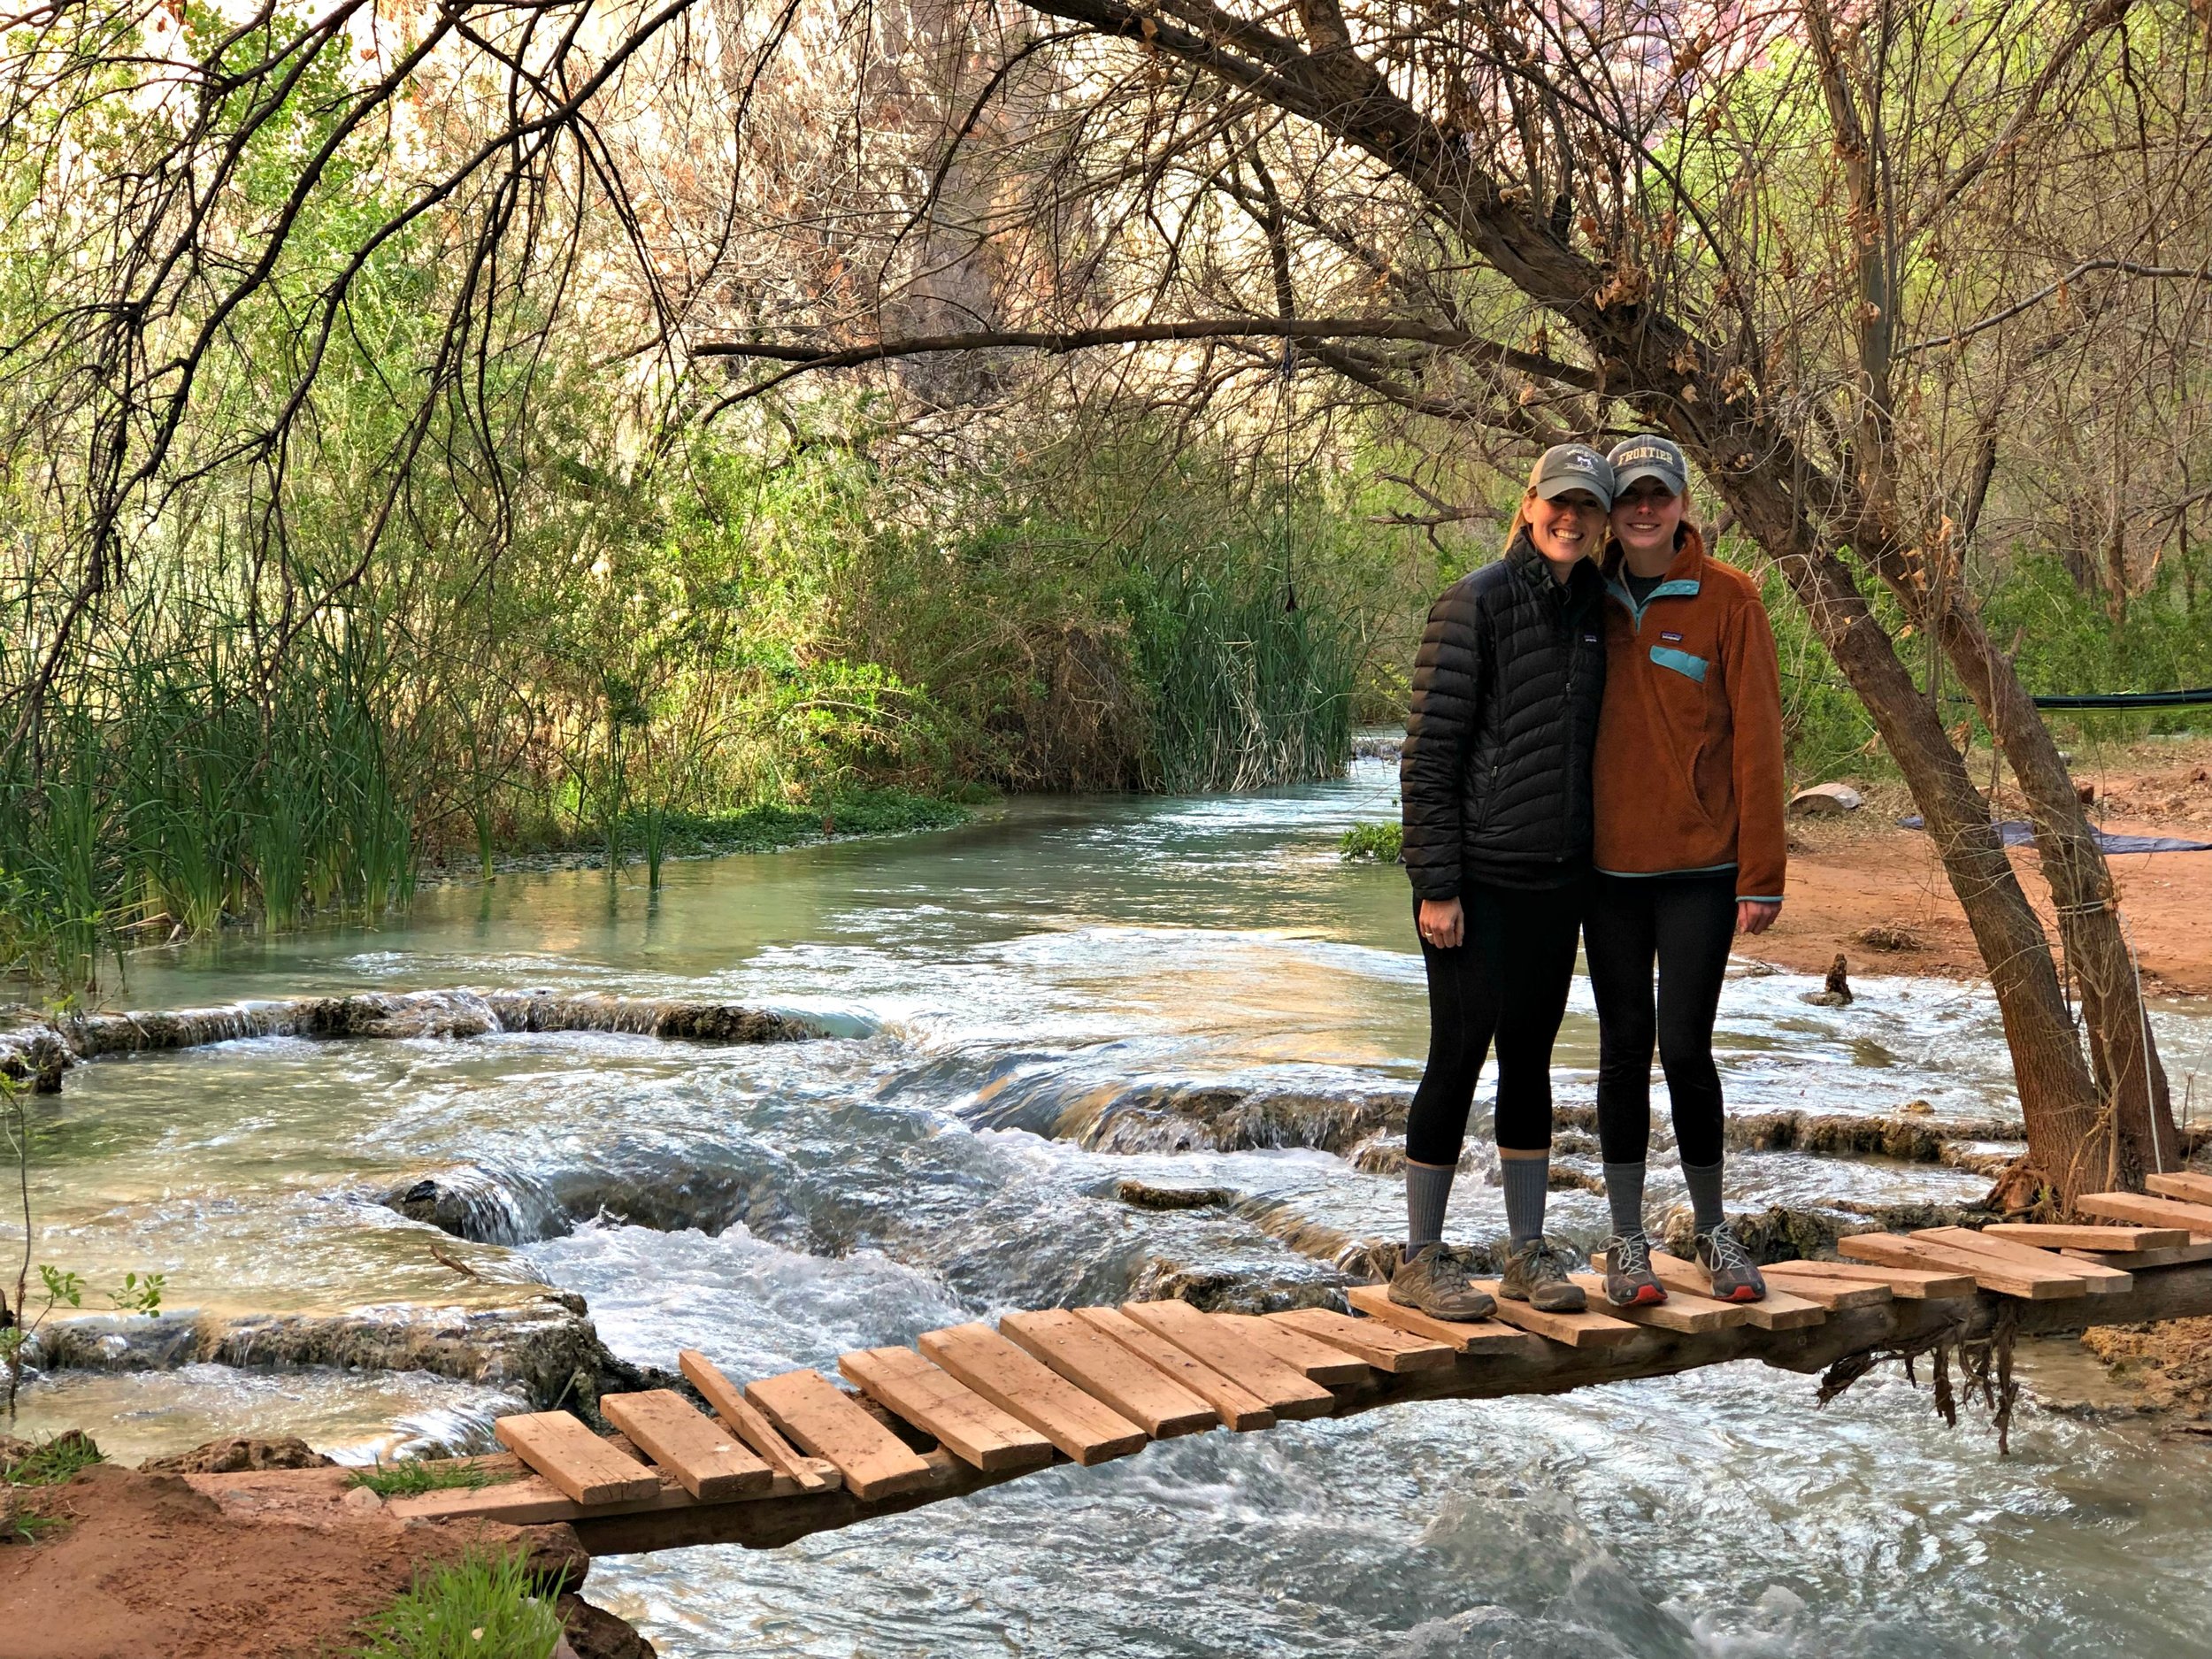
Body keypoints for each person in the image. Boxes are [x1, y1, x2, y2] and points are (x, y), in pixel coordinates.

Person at [1392, 443, 1612, 1320]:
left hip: (1556, 884)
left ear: (1600, 523)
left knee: (1529, 1063)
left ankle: (1526, 1252)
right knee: (1455, 1058)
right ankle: (1419, 1257)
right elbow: (1429, 754)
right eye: (1556, 504)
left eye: (1585, 509)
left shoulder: (1598, 608)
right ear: (1529, 506)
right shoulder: (1473, 602)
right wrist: (1435, 882)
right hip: (1473, 884)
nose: (1570, 519)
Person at [1586, 434, 1786, 1306]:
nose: (1641, 509)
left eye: (1655, 495)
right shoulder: (1578, 597)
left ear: (1679, 502)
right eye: (1627, 495)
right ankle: (1626, 1242)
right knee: (1623, 1052)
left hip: (1703, 868)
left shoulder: (1728, 599)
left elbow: (1759, 741)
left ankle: (1712, 1231)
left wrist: (1761, 873)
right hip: (1603, 870)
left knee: (1684, 1048)